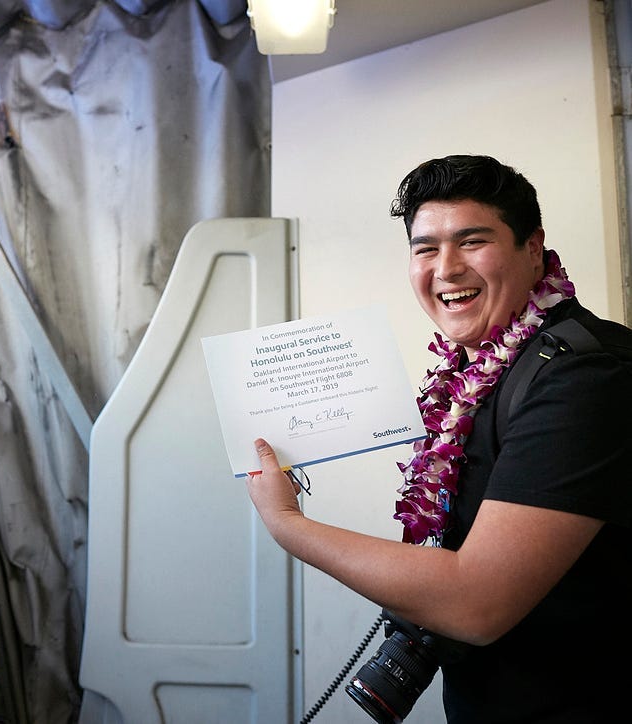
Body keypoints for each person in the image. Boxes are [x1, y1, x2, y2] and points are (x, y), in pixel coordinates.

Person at [246, 154, 632, 723]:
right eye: (425, 248)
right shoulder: (479, 374)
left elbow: (478, 601)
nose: (446, 269)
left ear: (533, 247)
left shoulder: (588, 377)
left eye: (472, 241)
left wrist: (289, 526)